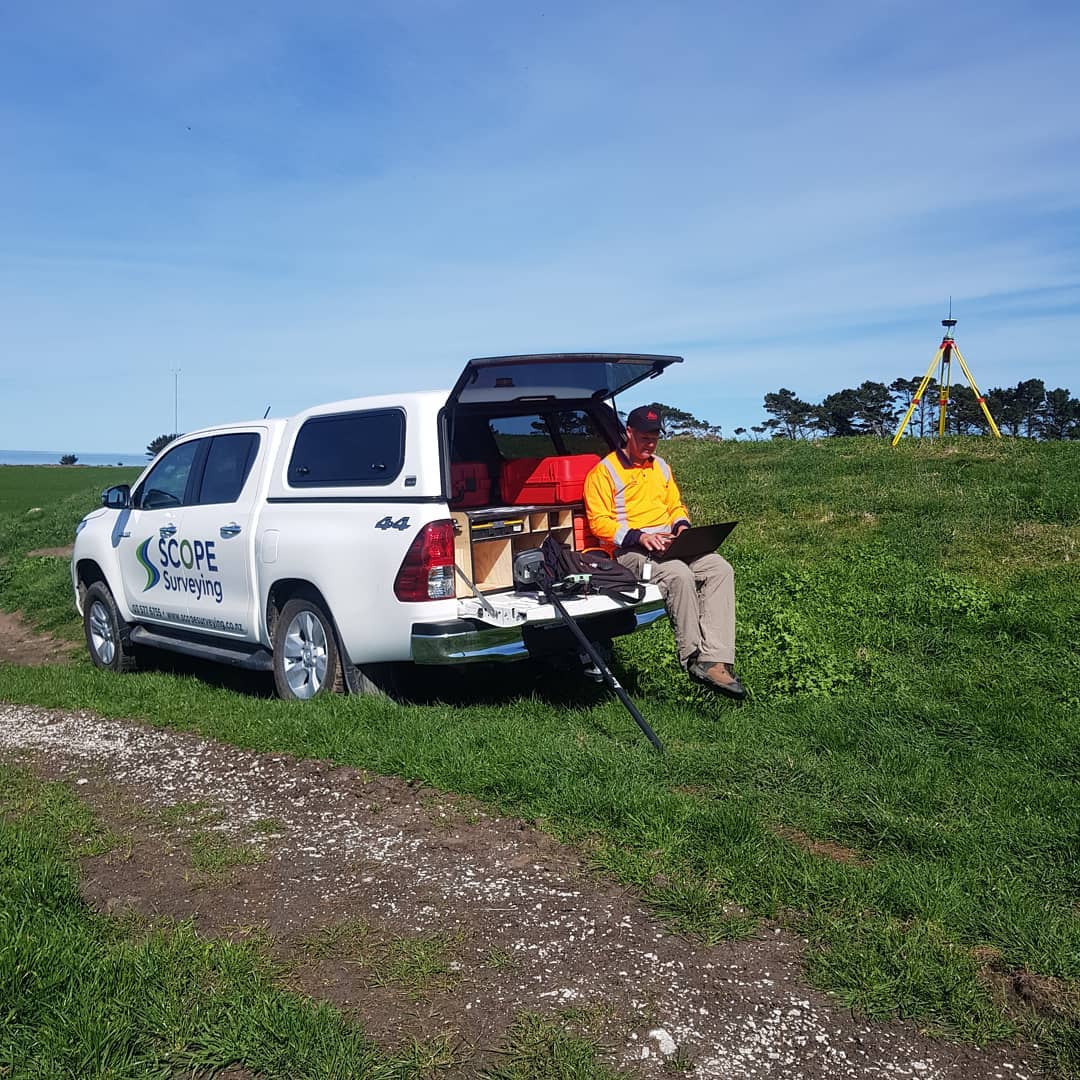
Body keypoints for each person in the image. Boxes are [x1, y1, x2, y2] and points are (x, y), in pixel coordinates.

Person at [583, 405, 745, 699]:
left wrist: (682, 527)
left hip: (670, 543)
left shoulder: (661, 467)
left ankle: (716, 659)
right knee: (678, 574)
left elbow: (675, 506)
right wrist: (640, 536)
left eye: (655, 438)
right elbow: (599, 523)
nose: (651, 444)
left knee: (720, 569)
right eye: (645, 437)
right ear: (628, 433)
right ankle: (693, 657)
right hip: (628, 551)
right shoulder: (603, 472)